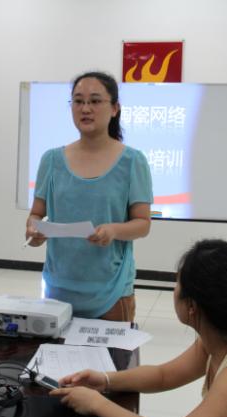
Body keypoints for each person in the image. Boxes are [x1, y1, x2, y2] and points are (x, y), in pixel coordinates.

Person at [51, 239, 227, 417]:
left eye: (177, 283)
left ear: (192, 306)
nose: (174, 290)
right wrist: (105, 380)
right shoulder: (222, 337)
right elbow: (163, 376)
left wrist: (97, 404)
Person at [25, 71, 153, 322]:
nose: (85, 109)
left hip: (111, 294)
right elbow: (36, 214)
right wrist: (33, 230)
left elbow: (143, 223)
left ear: (115, 108)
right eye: (78, 101)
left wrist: (113, 230)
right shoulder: (51, 160)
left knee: (111, 351)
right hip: (57, 289)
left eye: (95, 101)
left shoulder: (132, 161)